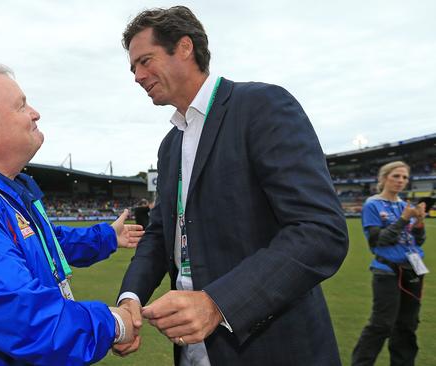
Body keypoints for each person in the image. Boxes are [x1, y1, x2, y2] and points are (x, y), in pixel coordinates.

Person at [113, 6, 348, 365]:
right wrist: (130, 297)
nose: (137, 76)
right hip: (193, 351)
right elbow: (161, 234)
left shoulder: (261, 107)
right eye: (133, 67)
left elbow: (320, 231)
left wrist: (218, 303)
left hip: (270, 349)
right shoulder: (170, 144)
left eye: (145, 61)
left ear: (185, 47)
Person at [0, 62, 144, 365]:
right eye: (21, 105)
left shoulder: (2, 189)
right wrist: (114, 324)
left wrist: (105, 236)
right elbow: (18, 314)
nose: (35, 113)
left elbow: (43, 241)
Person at [352, 161, 427, 366]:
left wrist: (419, 222)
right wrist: (403, 220)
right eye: (396, 176)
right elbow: (378, 241)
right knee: (382, 325)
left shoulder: (405, 205)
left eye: (404, 177)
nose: (401, 181)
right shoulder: (372, 204)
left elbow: (417, 240)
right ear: (384, 178)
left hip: (413, 270)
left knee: (407, 325)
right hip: (387, 271)